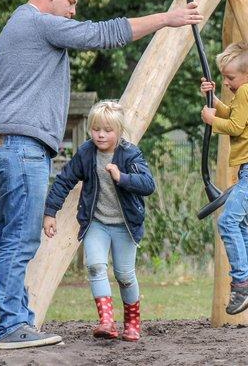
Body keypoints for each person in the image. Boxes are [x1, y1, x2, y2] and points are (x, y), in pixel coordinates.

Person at [0, 0, 202, 350]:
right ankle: (11, 326)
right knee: (21, 239)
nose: (72, 10)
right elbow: (103, 34)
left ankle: (16, 319)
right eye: (69, 1)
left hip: (4, 147)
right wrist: (168, 19)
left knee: (11, 237)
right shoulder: (37, 22)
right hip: (21, 149)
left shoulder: (16, 26)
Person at [43, 101, 154, 342]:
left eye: (107, 130)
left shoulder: (130, 153)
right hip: (97, 223)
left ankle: (132, 322)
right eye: (96, 129)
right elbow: (64, 181)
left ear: (119, 131)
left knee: (124, 275)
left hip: (125, 225)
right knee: (95, 266)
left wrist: (121, 177)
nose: (100, 134)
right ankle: (107, 322)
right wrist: (50, 212)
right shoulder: (86, 153)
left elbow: (148, 185)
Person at [198, 41, 248, 315]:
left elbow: (234, 126)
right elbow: (233, 115)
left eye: (230, 78)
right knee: (239, 222)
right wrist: (215, 102)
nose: (228, 82)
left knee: (228, 221)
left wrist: (210, 119)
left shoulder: (246, 92)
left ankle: (243, 280)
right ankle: (247, 278)